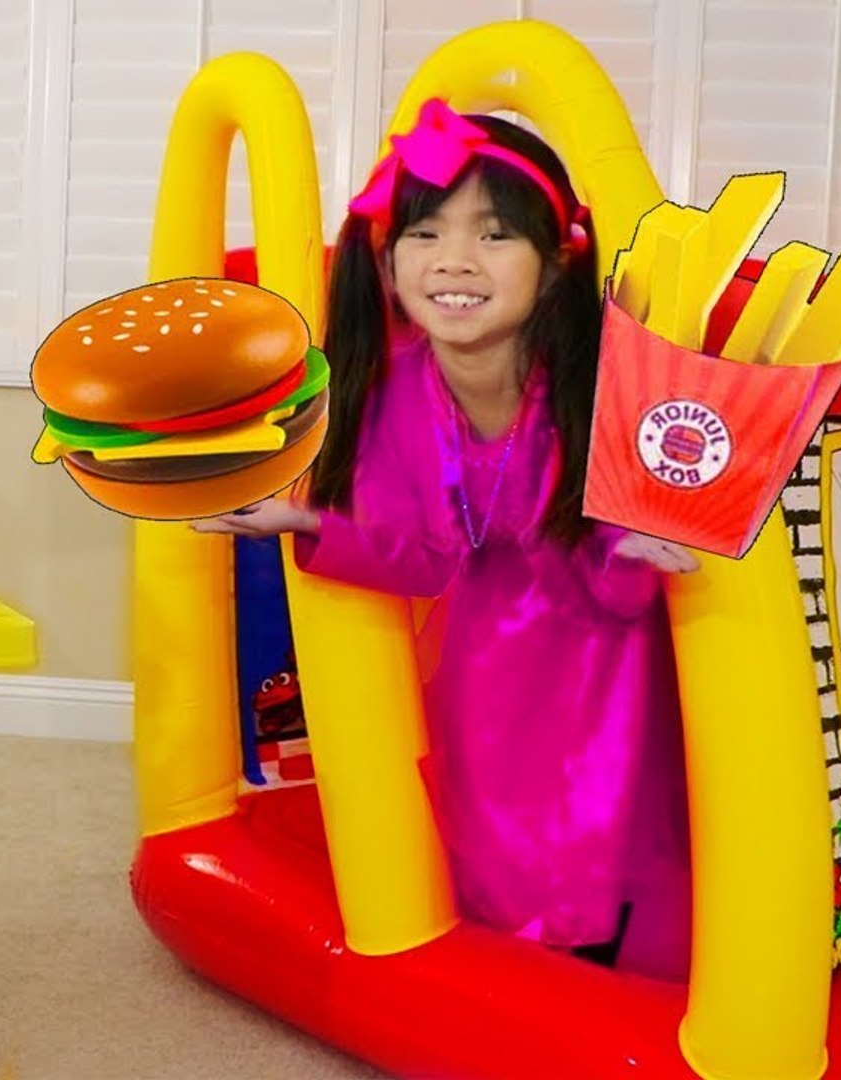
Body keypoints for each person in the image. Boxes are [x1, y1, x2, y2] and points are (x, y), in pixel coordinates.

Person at [195, 99, 697, 980]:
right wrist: (304, 523)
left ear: (555, 263)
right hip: (487, 653)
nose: (455, 261)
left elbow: (625, 554)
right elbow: (421, 553)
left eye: (495, 235)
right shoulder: (395, 390)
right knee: (493, 828)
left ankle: (609, 966)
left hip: (610, 658)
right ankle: (517, 976)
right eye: (425, 234)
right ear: (388, 263)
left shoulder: (597, 383)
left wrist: (634, 549)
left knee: (613, 822)